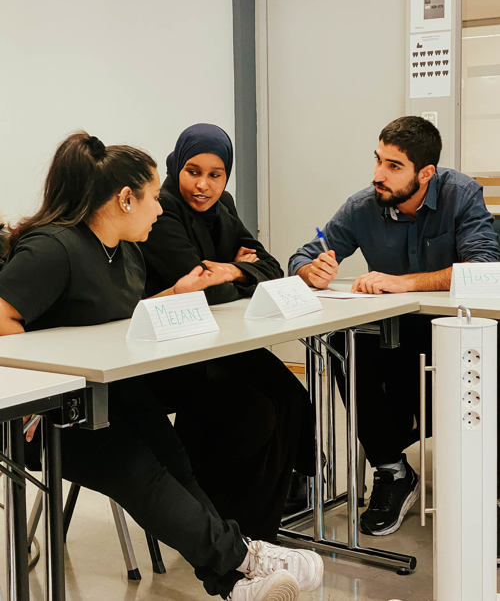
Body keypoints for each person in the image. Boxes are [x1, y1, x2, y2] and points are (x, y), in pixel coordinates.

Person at [0, 132, 324, 600]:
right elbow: (3, 314)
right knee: (142, 472)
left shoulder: (125, 252)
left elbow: (118, 317)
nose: (160, 208)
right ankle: (244, 558)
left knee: (175, 462)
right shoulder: (53, 248)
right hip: (48, 417)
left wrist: (173, 296)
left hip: (110, 394)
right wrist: (38, 391)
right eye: (153, 198)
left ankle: (233, 584)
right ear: (124, 199)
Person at [289, 115, 500, 537]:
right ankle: (392, 469)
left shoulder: (461, 195)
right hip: (394, 332)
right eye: (377, 160)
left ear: (426, 173)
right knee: (341, 345)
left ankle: (488, 482)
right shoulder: (363, 205)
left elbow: (485, 269)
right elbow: (304, 254)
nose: (377, 175)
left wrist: (405, 284)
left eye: (393, 165)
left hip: (455, 328)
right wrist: (310, 270)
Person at [140, 123, 316, 540]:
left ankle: (287, 494)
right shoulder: (161, 211)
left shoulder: (225, 206)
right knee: (255, 410)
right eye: (193, 171)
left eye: (215, 174)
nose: (203, 185)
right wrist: (231, 273)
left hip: (218, 342)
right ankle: (236, 528)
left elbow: (269, 268)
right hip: (170, 353)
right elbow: (205, 287)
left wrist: (234, 268)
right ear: (176, 167)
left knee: (291, 396)